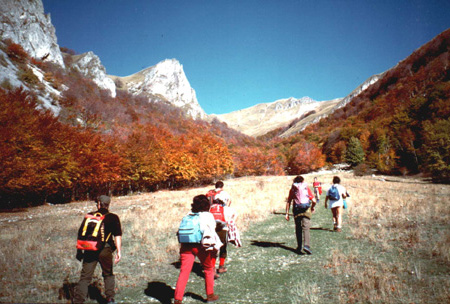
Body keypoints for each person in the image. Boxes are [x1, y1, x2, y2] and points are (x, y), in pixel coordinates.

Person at [74, 195, 122, 304]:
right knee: (108, 274)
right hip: (105, 250)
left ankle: (78, 300)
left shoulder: (90, 215)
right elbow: (117, 236)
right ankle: (110, 299)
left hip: (89, 249)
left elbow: (81, 233)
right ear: (108, 204)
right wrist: (119, 251)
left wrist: (79, 251)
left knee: (85, 278)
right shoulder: (113, 217)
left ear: (99, 204)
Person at [174, 195, 221, 304]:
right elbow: (211, 230)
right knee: (208, 269)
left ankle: (177, 299)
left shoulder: (188, 215)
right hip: (200, 245)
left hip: (185, 245)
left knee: (184, 272)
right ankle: (210, 295)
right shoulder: (207, 215)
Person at [285, 176, 316, 254]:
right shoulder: (306, 188)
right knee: (306, 227)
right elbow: (314, 200)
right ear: (302, 181)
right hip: (306, 209)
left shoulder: (293, 189)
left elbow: (288, 201)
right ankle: (306, 246)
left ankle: (299, 246)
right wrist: (312, 207)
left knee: (298, 227)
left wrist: (287, 213)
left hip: (296, 209)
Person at [210, 197, 238, 277]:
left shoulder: (210, 209)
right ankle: (221, 266)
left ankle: (212, 269)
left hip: (212, 230)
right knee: (223, 248)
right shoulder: (227, 209)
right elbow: (236, 214)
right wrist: (231, 222)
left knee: (213, 249)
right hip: (223, 229)